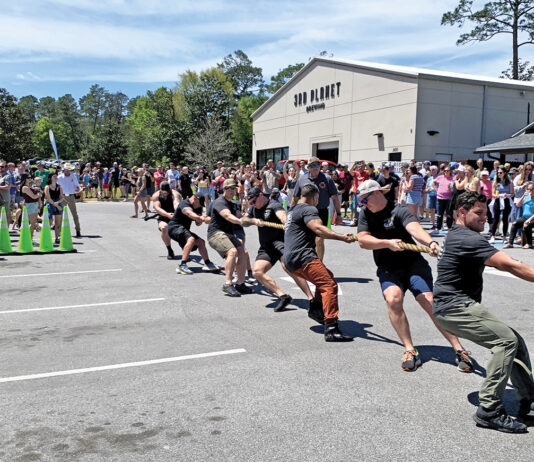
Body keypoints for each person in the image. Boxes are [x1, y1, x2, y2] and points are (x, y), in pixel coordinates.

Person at [433, 191, 534, 433]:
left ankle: (528, 398)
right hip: (454, 308)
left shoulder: (457, 233)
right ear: (461, 212)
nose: (484, 218)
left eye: (485, 213)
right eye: (478, 213)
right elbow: (512, 265)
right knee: (505, 341)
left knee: (515, 341)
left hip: (455, 306)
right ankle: (488, 410)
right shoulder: (468, 238)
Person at [356, 179, 473, 372]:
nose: (362, 204)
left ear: (377, 193)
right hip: (388, 268)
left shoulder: (399, 210)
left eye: (364, 199)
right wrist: (387, 243)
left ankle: (459, 349)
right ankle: (410, 349)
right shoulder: (366, 214)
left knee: (429, 301)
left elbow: (415, 229)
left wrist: (430, 243)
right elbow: (362, 240)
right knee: (393, 299)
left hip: (413, 265)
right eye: (361, 201)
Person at [284, 184, 354, 341]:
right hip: (302, 257)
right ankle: (331, 327)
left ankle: (316, 308)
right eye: (318, 199)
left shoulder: (293, 209)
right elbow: (318, 229)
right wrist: (341, 237)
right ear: (315, 197)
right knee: (329, 285)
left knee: (327, 276)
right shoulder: (309, 209)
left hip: (290, 260)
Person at [241, 187, 314, 311]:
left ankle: (312, 299)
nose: (253, 205)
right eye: (251, 203)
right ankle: (283, 296)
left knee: (289, 268)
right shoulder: (254, 209)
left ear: (261, 195)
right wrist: (253, 220)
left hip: (280, 243)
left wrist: (286, 222)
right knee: (257, 272)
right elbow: (243, 221)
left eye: (254, 201)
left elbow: (282, 215)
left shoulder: (273, 205)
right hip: (267, 247)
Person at [207, 179, 253, 297]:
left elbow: (238, 216)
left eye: (235, 189)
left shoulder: (233, 203)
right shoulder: (219, 202)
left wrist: (249, 219)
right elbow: (227, 215)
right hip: (215, 234)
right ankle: (228, 284)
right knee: (232, 252)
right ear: (225, 189)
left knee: (242, 251)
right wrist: (240, 221)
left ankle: (240, 283)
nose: (233, 191)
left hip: (228, 234)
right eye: (231, 188)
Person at [291, 156, 342, 260]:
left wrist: (339, 215)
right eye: (313, 165)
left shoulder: (327, 178)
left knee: (319, 239)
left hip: (321, 212)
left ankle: (319, 265)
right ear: (308, 167)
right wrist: (290, 215)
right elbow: (295, 198)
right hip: (305, 212)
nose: (316, 167)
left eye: (318, 164)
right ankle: (307, 262)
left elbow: (335, 198)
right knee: (305, 239)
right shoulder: (302, 179)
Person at [168, 193, 219, 274]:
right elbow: (189, 213)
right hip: (174, 227)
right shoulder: (185, 204)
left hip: (184, 229)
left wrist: (202, 220)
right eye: (199, 204)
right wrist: (199, 217)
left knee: (201, 242)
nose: (199, 206)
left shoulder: (198, 208)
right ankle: (182, 265)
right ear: (195, 198)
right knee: (191, 239)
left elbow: (197, 223)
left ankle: (208, 263)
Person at [152, 181, 182, 260]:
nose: (165, 194)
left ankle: (185, 249)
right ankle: (169, 250)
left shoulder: (175, 194)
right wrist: (167, 215)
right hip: (163, 216)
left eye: (167, 192)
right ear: (160, 190)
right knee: (164, 227)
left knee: (181, 233)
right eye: (164, 192)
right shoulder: (156, 196)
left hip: (175, 216)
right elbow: (157, 208)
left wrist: (175, 213)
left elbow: (176, 203)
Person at [504, 181, 534, 249]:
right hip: (525, 217)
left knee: (527, 225)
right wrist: (523, 195)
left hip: (532, 218)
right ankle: (510, 243)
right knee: (515, 223)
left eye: (531, 189)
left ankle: (529, 244)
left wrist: (529, 219)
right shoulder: (526, 197)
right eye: (528, 189)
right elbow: (518, 205)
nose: (530, 191)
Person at [57, 163, 82, 238]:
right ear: (64, 170)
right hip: (62, 196)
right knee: (61, 215)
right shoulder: (60, 177)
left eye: (69, 170)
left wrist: (79, 189)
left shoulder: (73, 176)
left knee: (74, 214)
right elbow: (57, 187)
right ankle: (59, 231)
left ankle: (78, 230)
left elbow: (77, 185)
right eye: (67, 170)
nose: (68, 172)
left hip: (71, 196)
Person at [489, 167, 513, 244]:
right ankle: (492, 235)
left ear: (505, 173)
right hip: (498, 200)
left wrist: (507, 195)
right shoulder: (495, 182)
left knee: (505, 219)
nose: (499, 174)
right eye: (498, 173)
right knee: (496, 219)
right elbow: (492, 193)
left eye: (500, 173)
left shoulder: (510, 182)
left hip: (506, 200)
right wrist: (496, 195)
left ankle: (505, 236)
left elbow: (512, 194)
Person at [44, 173, 65, 244]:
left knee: (57, 223)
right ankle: (47, 237)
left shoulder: (59, 187)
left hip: (57, 203)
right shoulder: (47, 187)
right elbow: (48, 198)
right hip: (50, 204)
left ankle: (57, 238)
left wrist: (58, 203)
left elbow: (62, 197)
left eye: (56, 176)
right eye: (54, 176)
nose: (56, 177)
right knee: (49, 221)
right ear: (50, 178)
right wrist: (56, 205)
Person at [20, 174, 42, 239]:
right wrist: (39, 194)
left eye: (31, 177)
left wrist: (39, 198)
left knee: (33, 223)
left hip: (34, 204)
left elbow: (36, 195)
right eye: (28, 177)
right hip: (30, 205)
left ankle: (30, 238)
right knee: (32, 223)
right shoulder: (25, 187)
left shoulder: (30, 186)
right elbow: (33, 196)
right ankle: (29, 238)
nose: (30, 179)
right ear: (24, 178)